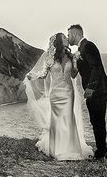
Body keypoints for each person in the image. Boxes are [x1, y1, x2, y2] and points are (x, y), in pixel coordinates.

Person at [24, 33, 93, 161]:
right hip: (55, 94)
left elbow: (73, 75)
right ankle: (57, 149)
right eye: (65, 38)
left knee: (68, 119)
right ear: (60, 42)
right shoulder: (49, 59)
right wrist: (33, 76)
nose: (67, 39)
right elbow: (44, 74)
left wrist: (77, 62)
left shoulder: (71, 57)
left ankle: (70, 149)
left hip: (68, 92)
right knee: (57, 121)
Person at [67, 24, 107, 160]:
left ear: (75, 34)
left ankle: (102, 152)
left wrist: (90, 89)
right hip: (95, 92)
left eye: (69, 34)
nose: (68, 37)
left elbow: (96, 68)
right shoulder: (81, 49)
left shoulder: (88, 46)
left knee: (98, 121)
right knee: (96, 121)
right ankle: (102, 151)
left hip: (98, 91)